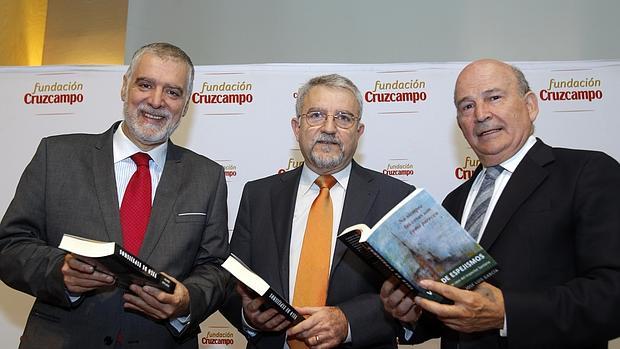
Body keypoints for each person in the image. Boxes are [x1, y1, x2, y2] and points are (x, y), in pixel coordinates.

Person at [0, 42, 230, 348]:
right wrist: (59, 271)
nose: (156, 101)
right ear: (124, 87)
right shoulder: (56, 156)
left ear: (186, 104)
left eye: (173, 92)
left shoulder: (207, 177)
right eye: (145, 85)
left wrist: (187, 299)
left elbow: (214, 267)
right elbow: (10, 246)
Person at [380, 59, 620, 349]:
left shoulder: (587, 172)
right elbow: (455, 309)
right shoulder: (454, 201)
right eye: (466, 106)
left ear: (530, 105)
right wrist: (413, 313)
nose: (480, 114)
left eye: (494, 97)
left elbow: (612, 293)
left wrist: (507, 314)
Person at [220, 74, 414, 349]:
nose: (329, 128)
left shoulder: (395, 197)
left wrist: (349, 322)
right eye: (316, 115)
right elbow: (232, 282)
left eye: (344, 118)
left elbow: (409, 296)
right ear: (296, 127)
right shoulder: (258, 196)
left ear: (359, 132)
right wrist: (249, 317)